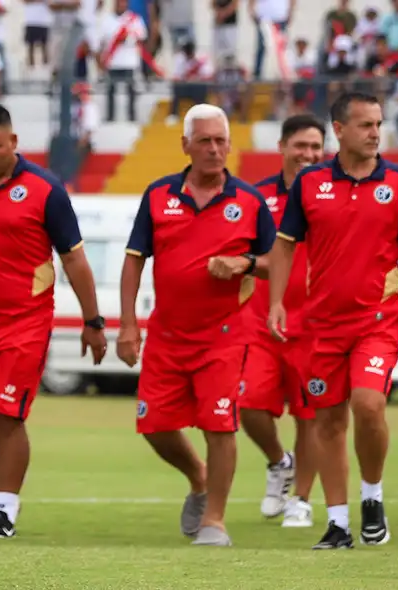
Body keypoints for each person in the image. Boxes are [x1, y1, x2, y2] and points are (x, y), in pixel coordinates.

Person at [0, 104, 107, 539]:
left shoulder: (46, 190)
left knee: (8, 414)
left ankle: (4, 508)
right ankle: (3, 467)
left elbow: (75, 260)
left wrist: (93, 320)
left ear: (13, 142)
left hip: (24, 324)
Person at [270, 92, 398, 550]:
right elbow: (284, 244)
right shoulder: (309, 184)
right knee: (328, 422)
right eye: (365, 125)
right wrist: (276, 302)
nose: (376, 133)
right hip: (322, 324)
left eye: (379, 124)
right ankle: (338, 523)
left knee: (368, 404)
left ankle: (373, 497)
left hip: (377, 321)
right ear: (338, 130)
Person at [118, 103, 276, 547]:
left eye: (221, 140)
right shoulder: (157, 195)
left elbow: (275, 263)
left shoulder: (248, 200)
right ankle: (198, 476)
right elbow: (134, 262)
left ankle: (215, 520)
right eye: (204, 140)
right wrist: (129, 325)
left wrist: (245, 262)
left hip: (225, 337)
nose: (214, 148)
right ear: (185, 145)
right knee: (153, 425)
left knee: (219, 425)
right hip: (166, 334)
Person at [241, 114, 324, 528]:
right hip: (262, 324)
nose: (308, 155)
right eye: (301, 146)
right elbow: (249, 256)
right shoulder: (257, 199)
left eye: (315, 148)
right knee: (249, 406)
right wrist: (244, 264)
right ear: (282, 147)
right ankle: (279, 462)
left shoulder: (332, 197)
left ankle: (303, 500)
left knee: (309, 417)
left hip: (316, 328)